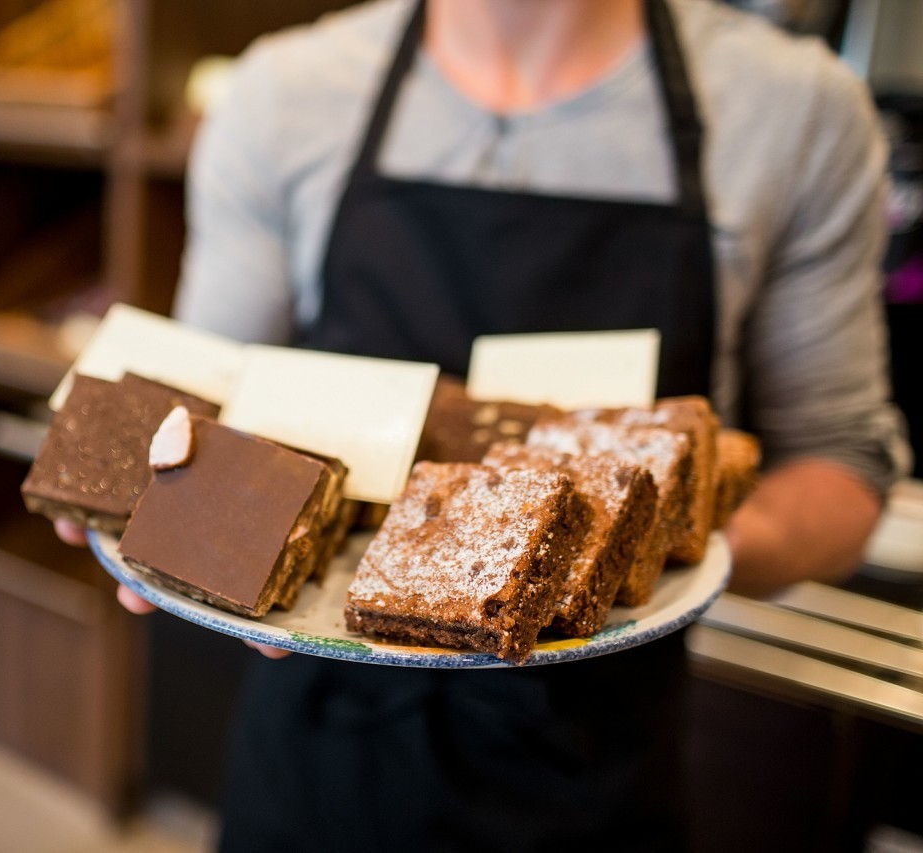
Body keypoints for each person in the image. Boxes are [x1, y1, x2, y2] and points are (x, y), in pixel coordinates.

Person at [56, 0, 912, 848]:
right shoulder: (285, 92)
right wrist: (154, 500)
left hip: (595, 765)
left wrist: (641, 556)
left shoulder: (794, 108)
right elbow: (211, 400)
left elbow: (842, 467)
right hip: (318, 751)